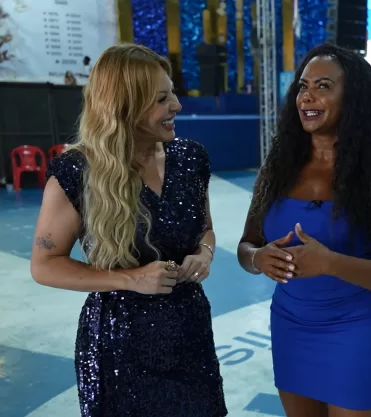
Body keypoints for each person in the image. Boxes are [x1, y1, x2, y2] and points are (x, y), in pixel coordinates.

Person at [30, 44, 227, 417]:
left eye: (173, 94)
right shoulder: (77, 171)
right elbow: (45, 264)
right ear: (125, 106)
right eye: (162, 99)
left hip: (190, 335)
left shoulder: (191, 159)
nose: (177, 106)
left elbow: (206, 230)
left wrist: (204, 254)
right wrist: (131, 279)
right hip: (119, 347)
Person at [237, 44, 371, 416]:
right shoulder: (276, 171)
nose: (307, 96)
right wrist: (259, 259)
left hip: (357, 330)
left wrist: (330, 263)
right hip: (290, 326)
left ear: (352, 98)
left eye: (323, 86)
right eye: (303, 87)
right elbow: (247, 246)